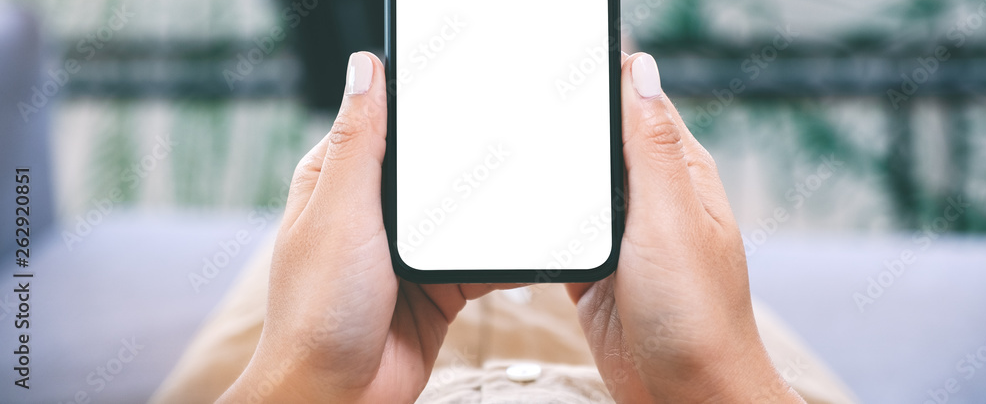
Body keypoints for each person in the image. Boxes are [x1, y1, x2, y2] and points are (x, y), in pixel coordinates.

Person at [152, 51, 857, 404]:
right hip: (648, 353)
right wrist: (717, 376)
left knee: (361, 174)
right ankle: (576, 56)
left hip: (340, 358)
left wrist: (300, 375)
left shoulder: (307, 357)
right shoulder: (699, 353)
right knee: (592, 120)